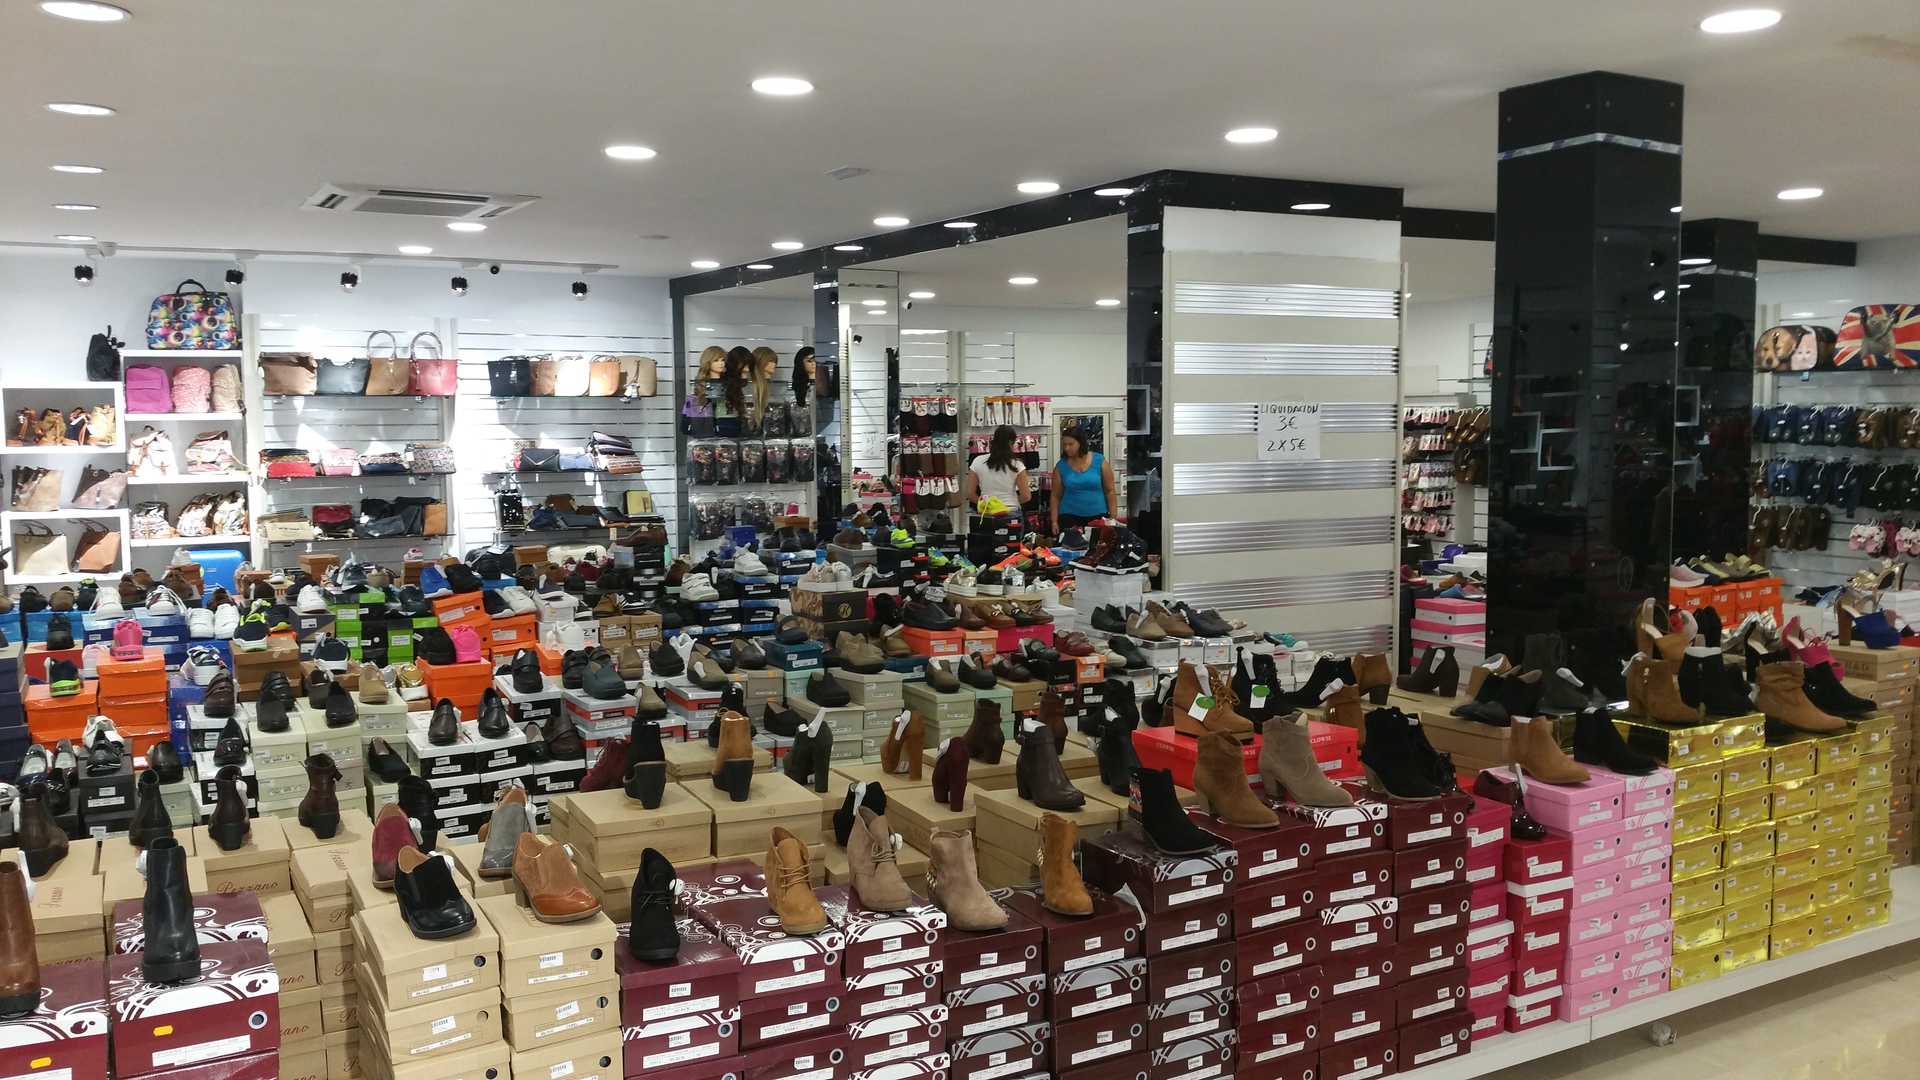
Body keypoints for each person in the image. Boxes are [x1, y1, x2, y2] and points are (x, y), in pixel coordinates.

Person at [1051, 425, 1117, 532]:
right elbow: (1055, 496)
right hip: (1069, 515)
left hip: (1098, 514)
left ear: (1080, 443)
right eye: (1064, 444)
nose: (1067, 448)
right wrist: (1054, 522)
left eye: (1071, 444)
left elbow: (1110, 491)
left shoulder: (1099, 461)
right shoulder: (1060, 466)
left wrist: (1113, 517)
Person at [965, 425, 1031, 515]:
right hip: (1011, 509)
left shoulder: (978, 461)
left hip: (987, 511)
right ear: (1011, 443)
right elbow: (1026, 496)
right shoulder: (1017, 464)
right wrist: (1014, 501)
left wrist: (984, 504)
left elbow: (970, 493)